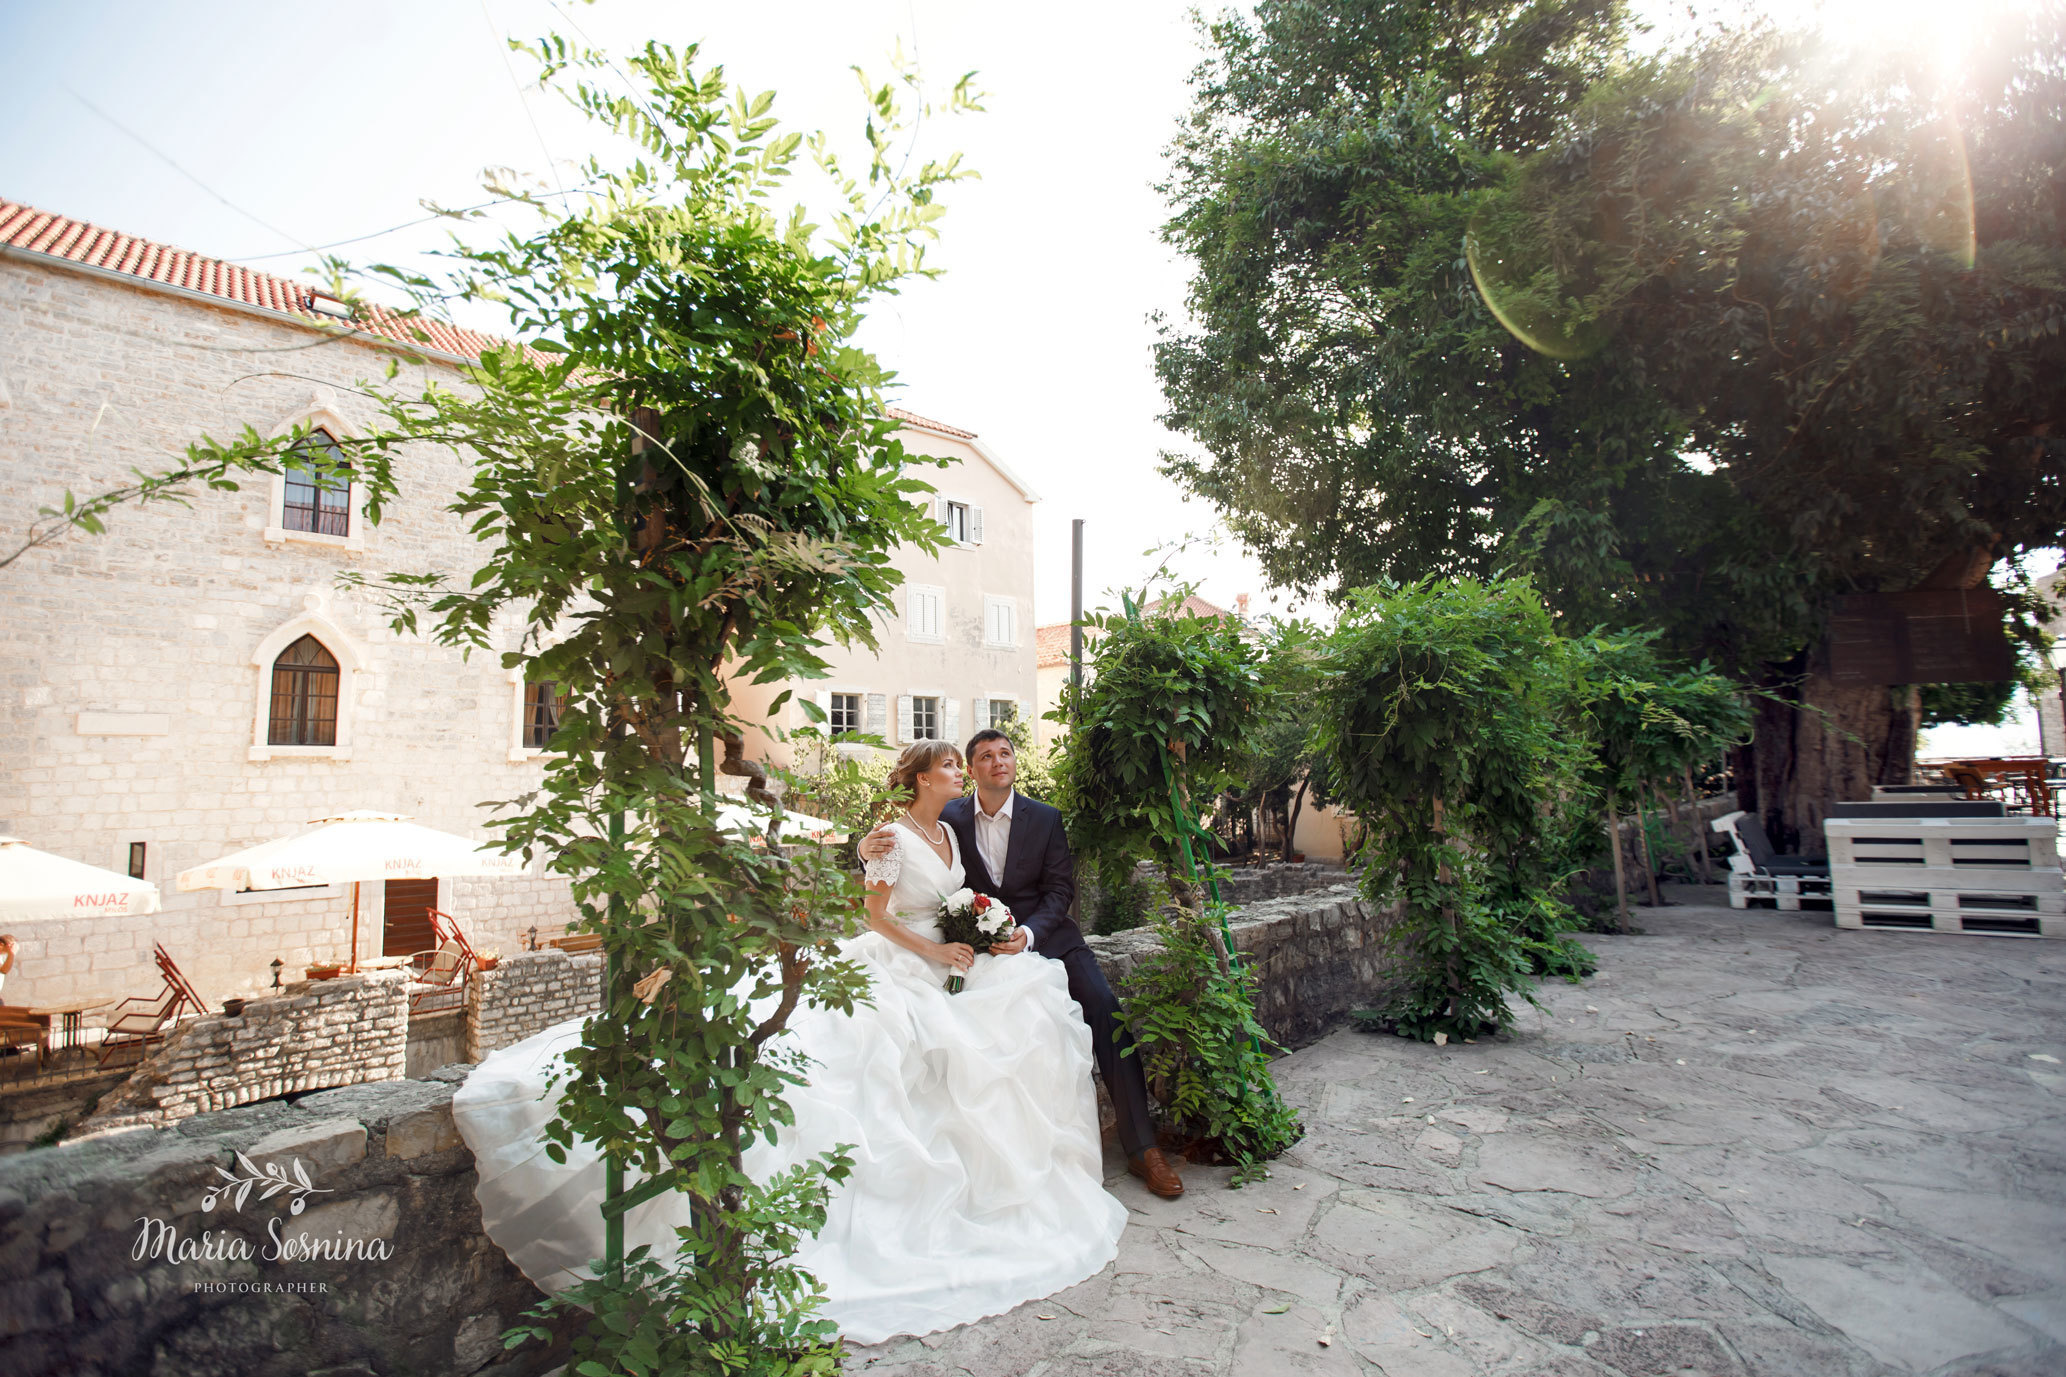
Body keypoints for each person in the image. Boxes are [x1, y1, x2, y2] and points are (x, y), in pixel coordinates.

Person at [450, 739, 1126, 1346]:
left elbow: (964, 886)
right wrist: (930, 939)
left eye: (961, 763)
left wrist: (973, 930)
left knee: (1028, 1008)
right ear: (922, 778)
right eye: (950, 764)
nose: (961, 771)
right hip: (902, 956)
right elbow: (874, 914)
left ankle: (998, 1179)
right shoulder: (891, 834)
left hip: (943, 954)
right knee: (886, 1053)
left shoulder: (948, 830)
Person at [858, 729, 1185, 1200]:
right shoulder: (950, 815)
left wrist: (1027, 933)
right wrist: (863, 849)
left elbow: (1060, 892)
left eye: (1005, 753)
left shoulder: (1046, 818)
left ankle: (1142, 1148)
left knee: (1105, 1009)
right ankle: (1003, 1152)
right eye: (984, 756)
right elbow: (899, 846)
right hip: (979, 948)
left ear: (1015, 763)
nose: (997, 762)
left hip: (1047, 936)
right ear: (970, 770)